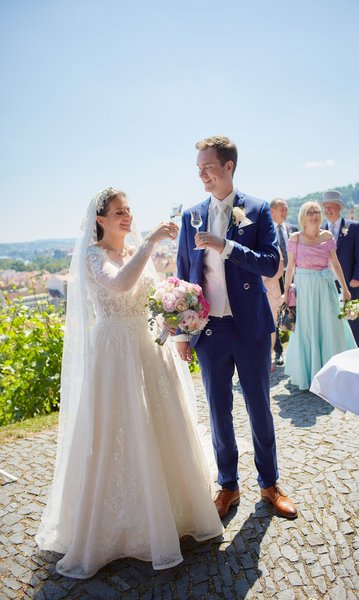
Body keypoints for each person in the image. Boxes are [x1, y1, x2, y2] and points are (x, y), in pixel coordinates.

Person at [36, 187, 222, 579]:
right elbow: (119, 284)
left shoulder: (133, 253)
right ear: (100, 219)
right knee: (120, 428)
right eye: (119, 212)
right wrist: (152, 240)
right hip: (114, 352)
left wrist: (178, 303)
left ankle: (173, 511)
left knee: (158, 424)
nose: (127, 217)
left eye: (129, 210)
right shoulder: (93, 256)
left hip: (146, 346)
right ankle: (121, 524)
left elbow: (150, 296)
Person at [175, 136, 298, 520]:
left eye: (207, 166)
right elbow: (182, 274)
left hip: (251, 328)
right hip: (209, 330)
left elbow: (271, 265)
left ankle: (269, 484)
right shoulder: (191, 215)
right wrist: (182, 332)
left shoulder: (258, 210)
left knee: (259, 407)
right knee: (219, 410)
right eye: (198, 168)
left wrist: (225, 245)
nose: (201, 174)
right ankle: (227, 486)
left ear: (228, 167)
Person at [284, 201, 357, 390]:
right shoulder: (295, 238)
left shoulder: (327, 236)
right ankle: (310, 375)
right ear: (303, 216)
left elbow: (335, 263)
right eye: (310, 212)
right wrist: (285, 292)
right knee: (307, 328)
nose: (314, 215)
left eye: (317, 212)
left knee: (330, 326)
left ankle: (333, 374)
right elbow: (290, 267)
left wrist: (345, 288)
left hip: (326, 287)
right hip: (305, 288)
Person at [321, 190, 359, 346]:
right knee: (332, 319)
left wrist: (357, 278)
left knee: (352, 317)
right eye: (325, 207)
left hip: (349, 282)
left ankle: (357, 349)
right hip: (328, 283)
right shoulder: (321, 230)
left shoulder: (353, 227)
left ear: (338, 207)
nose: (327, 211)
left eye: (330, 207)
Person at [268, 198, 298, 365]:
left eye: (286, 209)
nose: (285, 213)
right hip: (274, 280)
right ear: (272, 211)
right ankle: (278, 352)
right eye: (282, 210)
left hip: (293, 277)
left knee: (294, 311)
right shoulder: (266, 232)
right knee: (276, 314)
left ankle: (296, 349)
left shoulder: (293, 230)